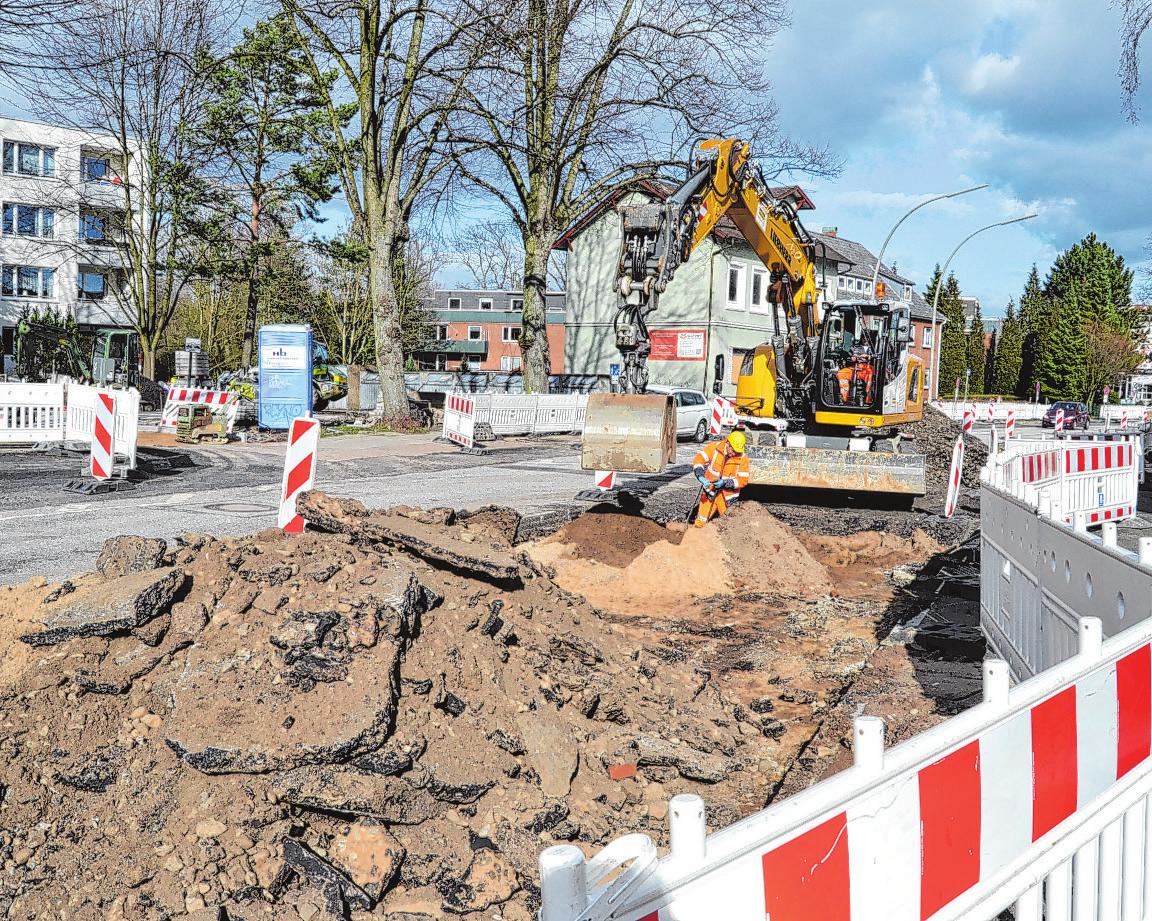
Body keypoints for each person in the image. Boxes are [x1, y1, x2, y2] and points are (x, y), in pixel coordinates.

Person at [691, 427, 751, 527]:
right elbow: (699, 459)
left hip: (727, 497)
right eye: (734, 450)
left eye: (738, 451)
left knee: (728, 526)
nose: (735, 453)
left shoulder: (742, 457)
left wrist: (725, 483)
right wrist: (700, 476)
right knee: (701, 521)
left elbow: (743, 480)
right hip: (710, 492)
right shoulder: (715, 448)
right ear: (728, 444)